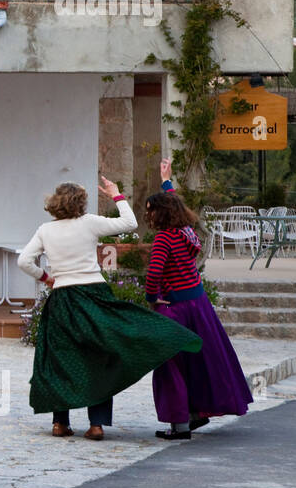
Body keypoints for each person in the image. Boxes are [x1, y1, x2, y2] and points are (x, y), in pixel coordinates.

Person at [18, 176, 201, 440]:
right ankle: (96, 425)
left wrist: (47, 278)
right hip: (94, 294)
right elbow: (129, 223)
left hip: (62, 298)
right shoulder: (90, 223)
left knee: (61, 358)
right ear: (81, 203)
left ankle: (60, 423)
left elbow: (24, 261)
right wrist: (116, 194)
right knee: (101, 357)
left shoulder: (45, 230)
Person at [148, 159, 252, 440]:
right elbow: (174, 204)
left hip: (176, 309)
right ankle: (196, 414)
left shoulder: (163, 239)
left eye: (151, 211)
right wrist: (167, 181)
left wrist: (152, 299)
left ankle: (180, 424)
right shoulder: (187, 232)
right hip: (199, 305)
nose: (150, 216)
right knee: (201, 360)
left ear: (160, 215)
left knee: (170, 364)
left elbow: (153, 274)